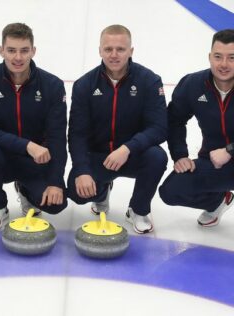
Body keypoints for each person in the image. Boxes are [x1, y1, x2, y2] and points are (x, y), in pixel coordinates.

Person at [67, 24, 167, 234]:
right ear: (100, 50)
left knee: (157, 156)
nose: (114, 55)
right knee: (76, 192)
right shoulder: (84, 85)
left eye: (120, 49)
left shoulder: (149, 81)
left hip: (132, 154)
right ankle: (101, 190)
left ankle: (138, 210)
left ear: (131, 51)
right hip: (99, 156)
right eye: (108, 49)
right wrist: (83, 170)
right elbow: (77, 134)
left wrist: (127, 148)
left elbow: (158, 128)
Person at [0, 22, 68, 229]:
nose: (18, 57)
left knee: (56, 205)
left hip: (36, 162)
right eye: (11, 50)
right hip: (0, 158)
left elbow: (58, 137)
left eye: (24, 51)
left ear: (33, 51)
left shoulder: (52, 85)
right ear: (1, 51)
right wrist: (27, 145)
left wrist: (55, 182)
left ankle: (25, 189)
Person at [159, 29, 234, 227]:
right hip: (214, 162)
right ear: (210, 57)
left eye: (232, 58)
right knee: (171, 190)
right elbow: (174, 120)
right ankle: (219, 200)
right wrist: (180, 155)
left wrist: (229, 150)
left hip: (226, 155)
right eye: (218, 57)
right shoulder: (193, 84)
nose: (224, 64)